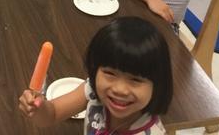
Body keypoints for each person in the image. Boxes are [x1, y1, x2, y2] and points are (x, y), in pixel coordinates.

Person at [19, 16, 173, 134]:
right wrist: (38, 109)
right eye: (110, 73)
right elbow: (52, 114)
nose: (120, 89)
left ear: (158, 85)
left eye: (135, 79)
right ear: (95, 69)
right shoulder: (93, 91)